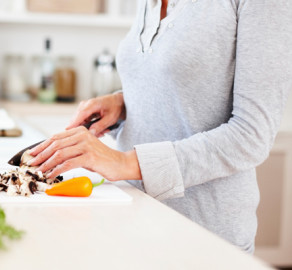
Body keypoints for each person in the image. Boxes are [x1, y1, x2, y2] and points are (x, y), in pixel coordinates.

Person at [27, 0, 292, 253]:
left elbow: (252, 136)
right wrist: (122, 104)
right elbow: (181, 85)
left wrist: (125, 163)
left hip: (202, 237)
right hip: (132, 216)